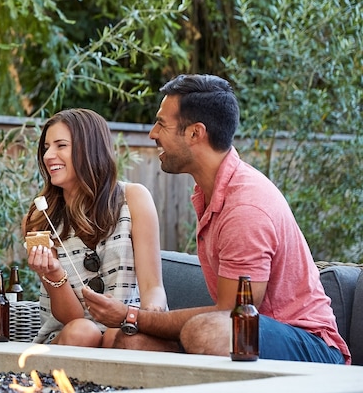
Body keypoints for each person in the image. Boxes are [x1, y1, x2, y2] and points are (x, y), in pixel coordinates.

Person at [83, 74, 350, 364]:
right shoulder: (210, 193)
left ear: (195, 133)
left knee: (210, 331)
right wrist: (136, 324)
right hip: (243, 336)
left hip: (311, 347)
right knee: (132, 343)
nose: (152, 134)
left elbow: (234, 314)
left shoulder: (245, 206)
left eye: (162, 123)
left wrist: (130, 315)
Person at [24, 108, 169, 347]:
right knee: (84, 331)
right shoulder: (40, 218)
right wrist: (53, 275)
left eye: (61, 145)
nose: (48, 155)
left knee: (119, 334)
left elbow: (153, 287)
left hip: (128, 325)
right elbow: (72, 318)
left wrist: (148, 315)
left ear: (90, 149)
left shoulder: (133, 199)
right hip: (70, 336)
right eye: (46, 147)